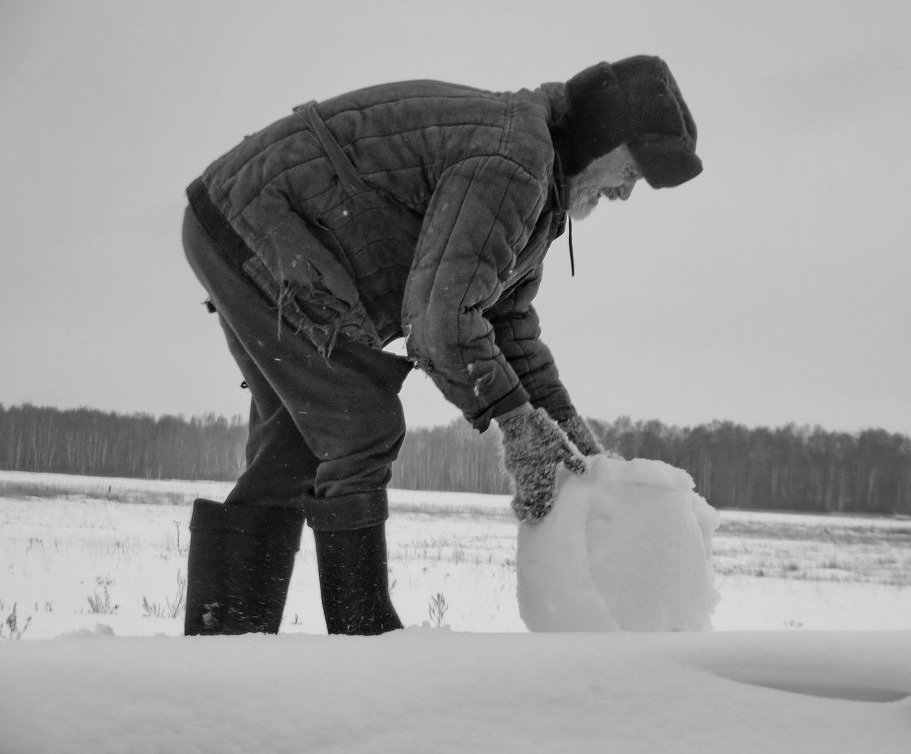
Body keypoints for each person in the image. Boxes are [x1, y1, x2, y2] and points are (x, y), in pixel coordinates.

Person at [181, 55, 702, 636]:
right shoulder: (515, 162)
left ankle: (225, 644)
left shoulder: (537, 182)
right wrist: (518, 424)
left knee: (293, 450)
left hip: (235, 216)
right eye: (633, 170)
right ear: (604, 137)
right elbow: (439, 321)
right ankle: (366, 642)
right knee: (362, 424)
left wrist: (570, 435)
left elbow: (506, 323)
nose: (628, 193)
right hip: (260, 219)